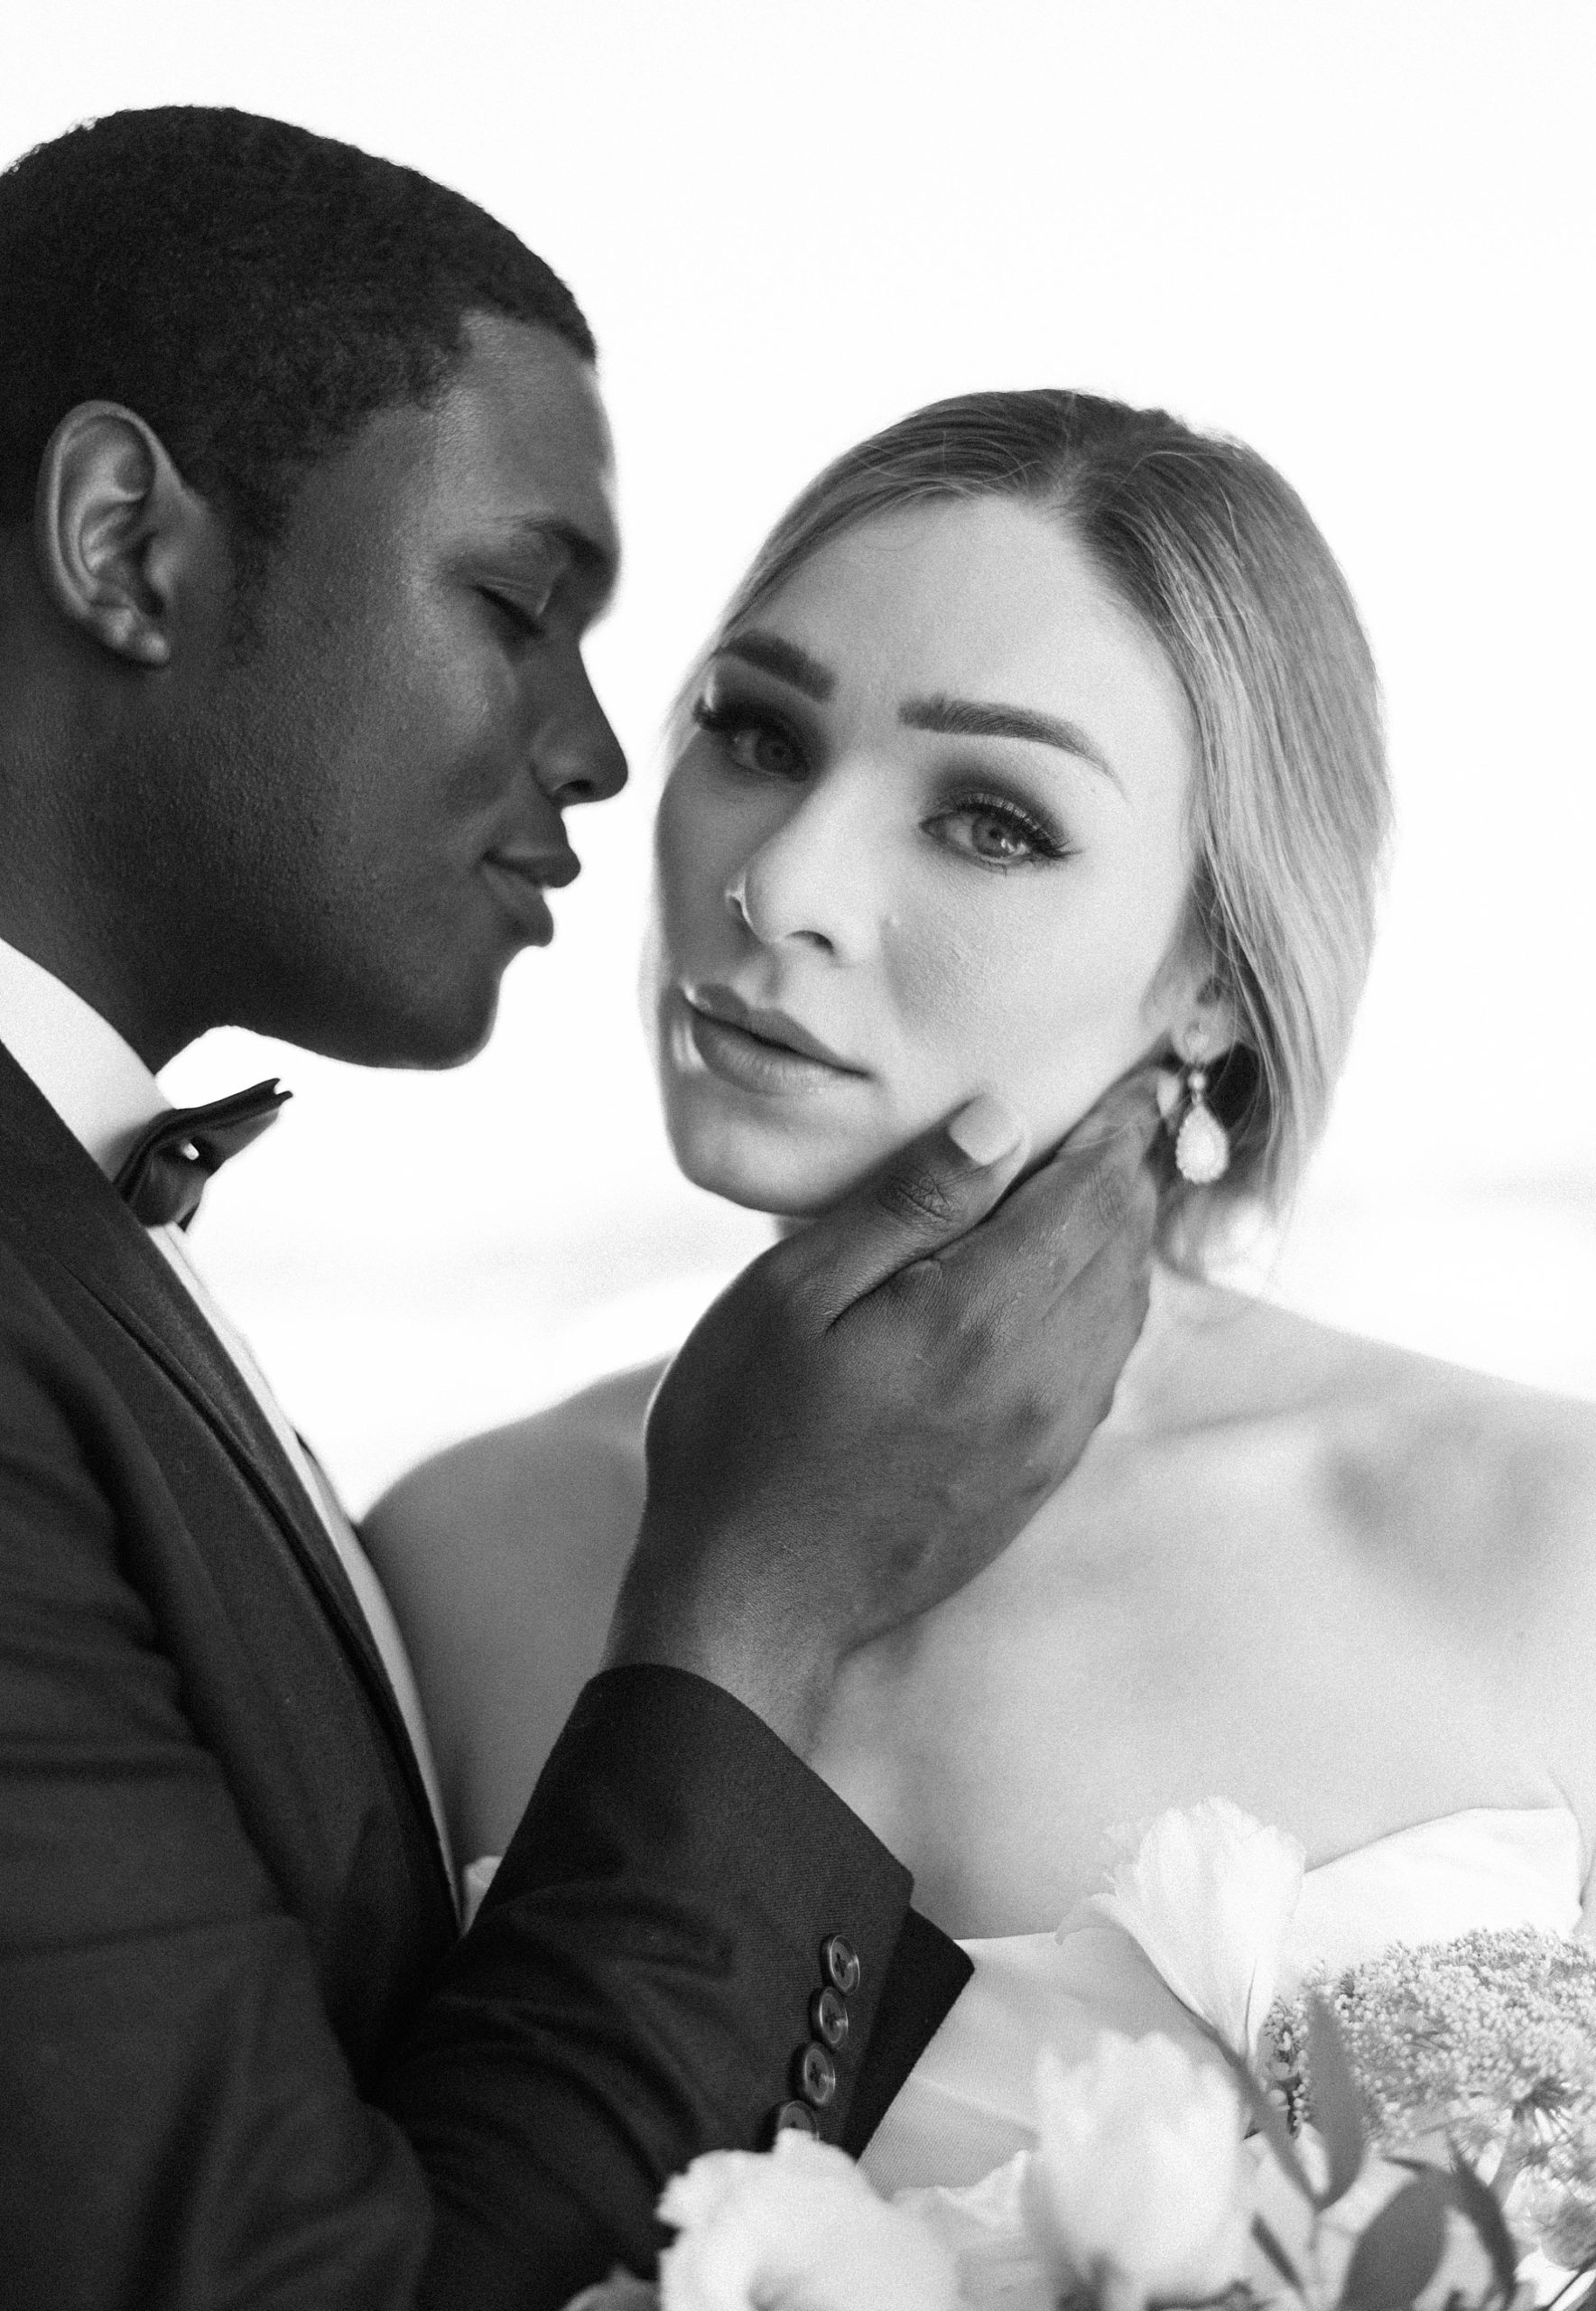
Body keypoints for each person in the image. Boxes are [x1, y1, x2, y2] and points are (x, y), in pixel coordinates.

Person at [0, 114, 1165, 2307]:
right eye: (516, 606)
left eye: (995, 813)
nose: (608, 758)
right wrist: (746, 1601)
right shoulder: (468, 1535)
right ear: (125, 545)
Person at [369, 386, 1596, 2198]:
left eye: (991, 820)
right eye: (760, 735)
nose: (775, 883)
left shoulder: (1538, 1542)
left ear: (1211, 971)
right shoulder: (453, 1557)